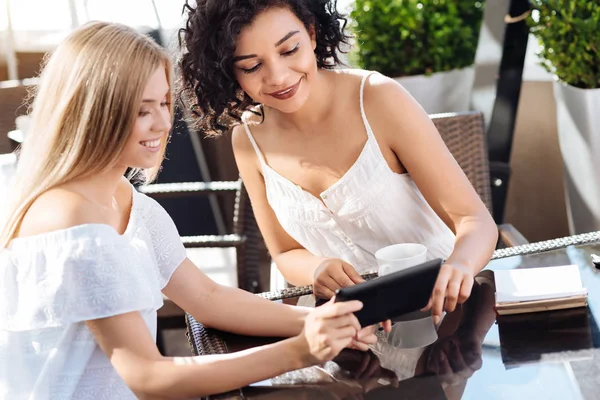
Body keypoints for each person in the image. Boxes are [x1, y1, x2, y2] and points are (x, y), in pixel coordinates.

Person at [0, 21, 384, 400]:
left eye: (165, 103)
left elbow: (207, 298)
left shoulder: (124, 200)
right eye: (141, 110)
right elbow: (148, 377)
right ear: (93, 112)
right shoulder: (74, 225)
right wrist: (300, 350)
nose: (165, 122)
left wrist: (321, 321)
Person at [178, 0, 499, 324]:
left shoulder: (379, 99)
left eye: (289, 50)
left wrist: (460, 265)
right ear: (229, 71)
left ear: (313, 34)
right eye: (251, 66)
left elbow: (474, 220)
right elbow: (285, 253)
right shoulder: (247, 139)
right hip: (346, 332)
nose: (278, 77)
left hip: (443, 313)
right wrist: (317, 268)